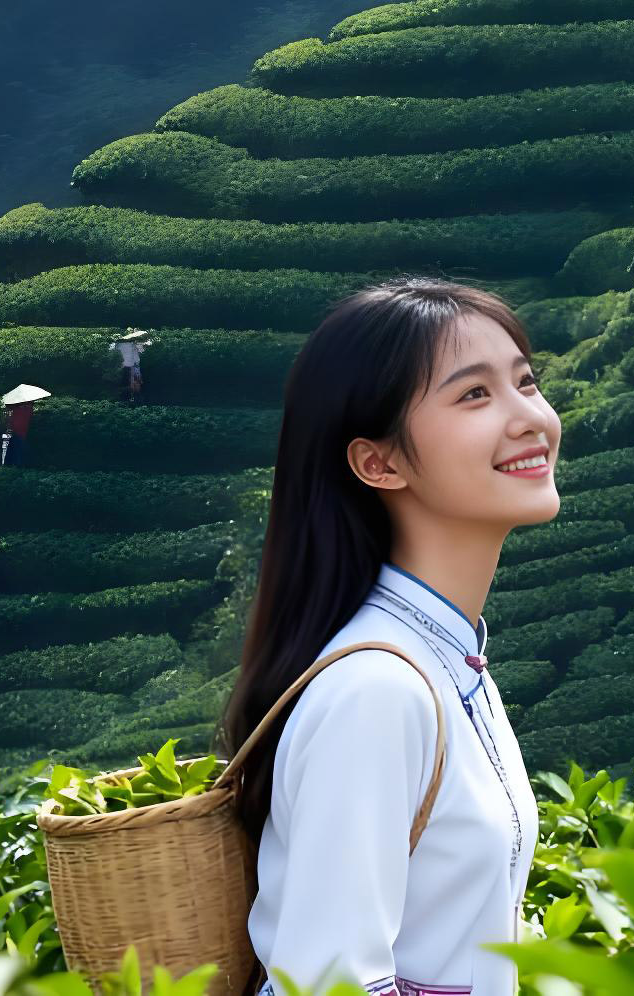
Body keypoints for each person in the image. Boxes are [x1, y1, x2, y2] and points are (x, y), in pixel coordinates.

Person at [218, 277, 555, 996]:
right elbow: (327, 984)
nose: (530, 417)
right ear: (380, 462)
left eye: (526, 382)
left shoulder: (451, 660)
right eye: (476, 394)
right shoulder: (377, 691)